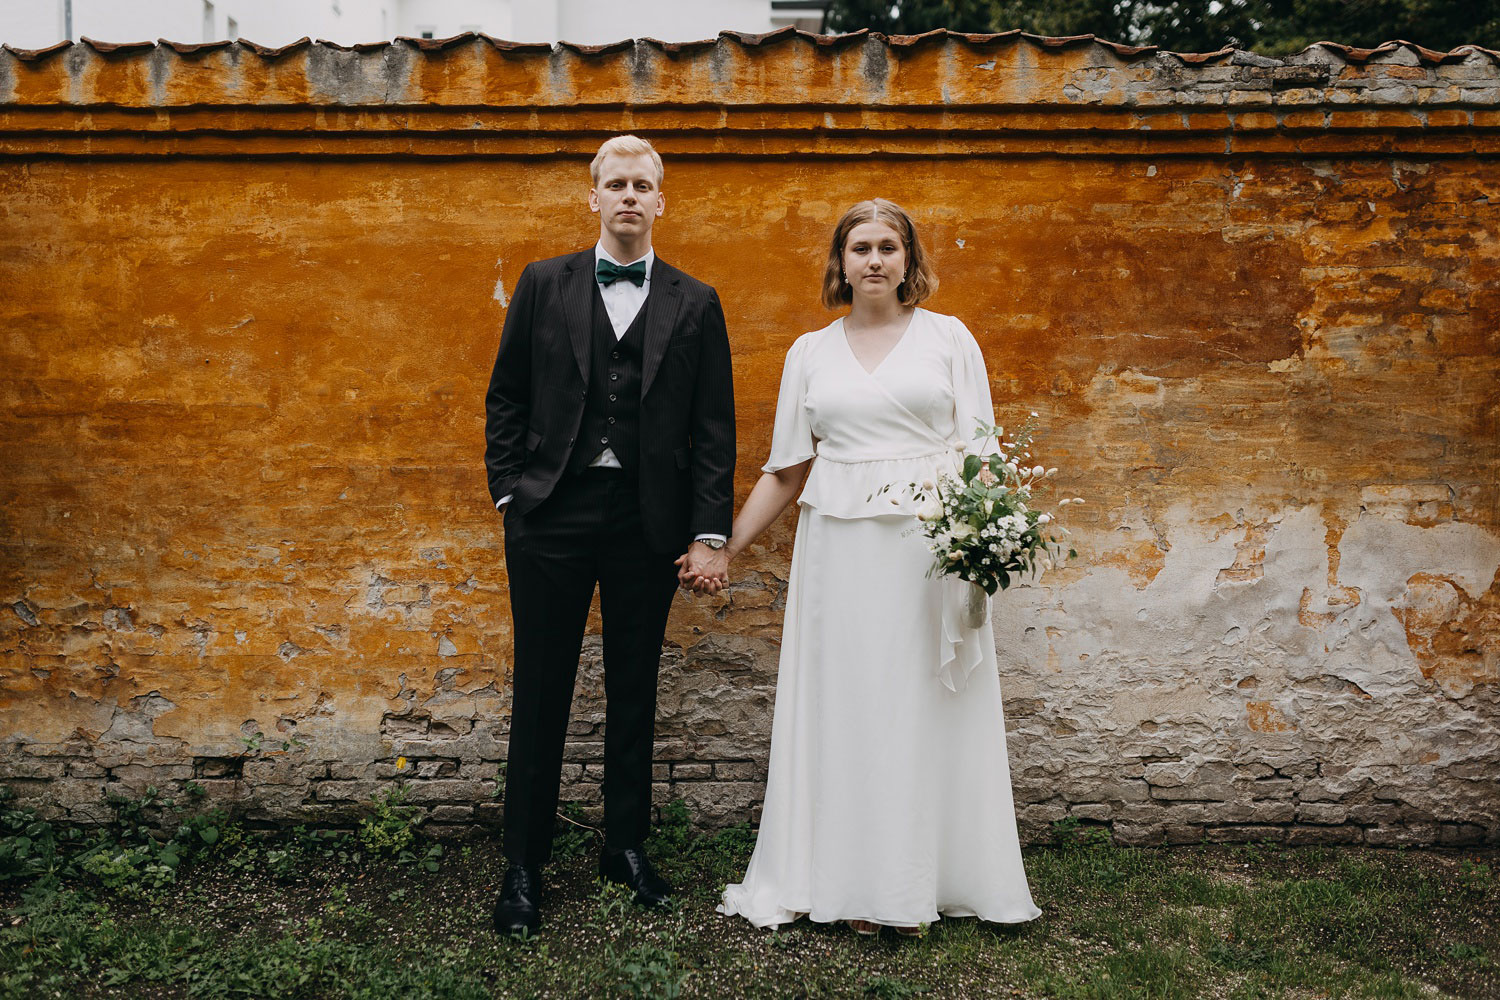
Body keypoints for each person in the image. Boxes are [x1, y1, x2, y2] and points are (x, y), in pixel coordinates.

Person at [708, 198, 1042, 934]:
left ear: (908, 259)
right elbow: (787, 470)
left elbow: (982, 454)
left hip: (930, 551)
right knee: (852, 705)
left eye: (888, 246)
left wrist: (989, 540)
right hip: (840, 552)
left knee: (922, 702)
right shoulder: (810, 353)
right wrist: (726, 544)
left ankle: (924, 882)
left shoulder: (950, 340)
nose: (875, 260)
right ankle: (857, 885)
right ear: (841, 262)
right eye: (860, 247)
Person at [484, 135, 735, 937]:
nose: (629, 196)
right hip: (550, 515)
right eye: (615, 184)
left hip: (646, 522)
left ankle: (623, 848)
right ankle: (524, 866)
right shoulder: (541, 282)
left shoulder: (696, 302)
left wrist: (707, 533)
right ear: (592, 198)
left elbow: (713, 429)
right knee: (542, 689)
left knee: (634, 690)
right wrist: (507, 495)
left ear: (663, 201)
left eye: (643, 185)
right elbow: (507, 396)